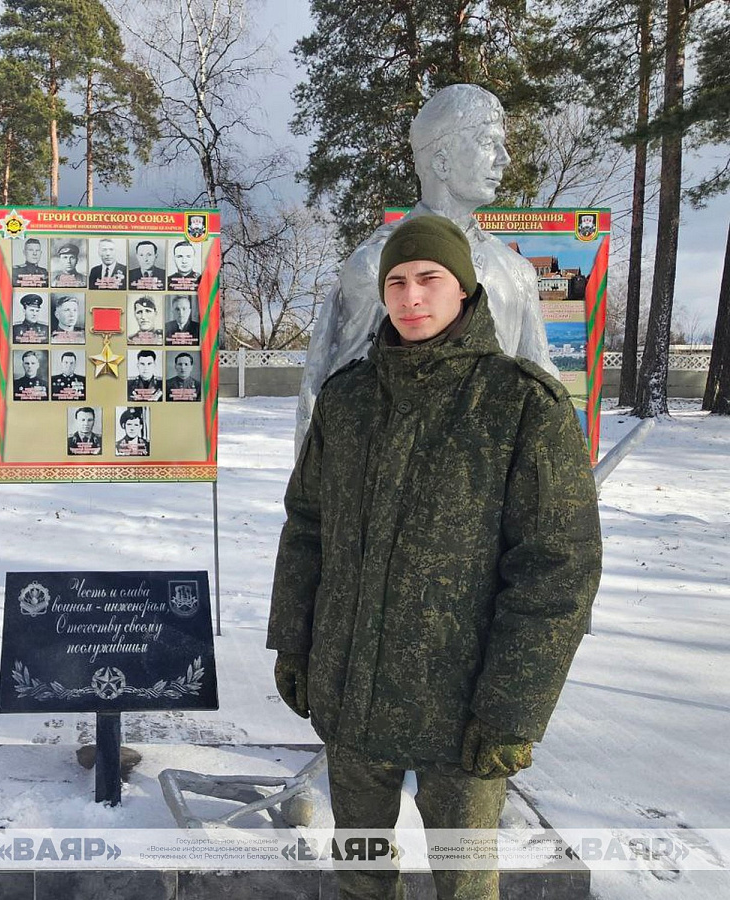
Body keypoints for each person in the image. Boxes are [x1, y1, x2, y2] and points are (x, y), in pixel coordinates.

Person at [268, 215, 602, 900]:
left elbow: (556, 569)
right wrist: (295, 644)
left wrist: (511, 709)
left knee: (463, 883)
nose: (411, 296)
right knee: (361, 872)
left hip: (462, 714)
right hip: (351, 698)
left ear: (465, 289)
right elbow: (307, 528)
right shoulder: (347, 400)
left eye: (429, 278)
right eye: (396, 281)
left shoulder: (520, 405)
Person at [295, 83, 558, 450]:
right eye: (488, 143)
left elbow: (543, 392)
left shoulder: (515, 273)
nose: (504, 159)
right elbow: (334, 404)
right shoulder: (375, 267)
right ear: (442, 160)